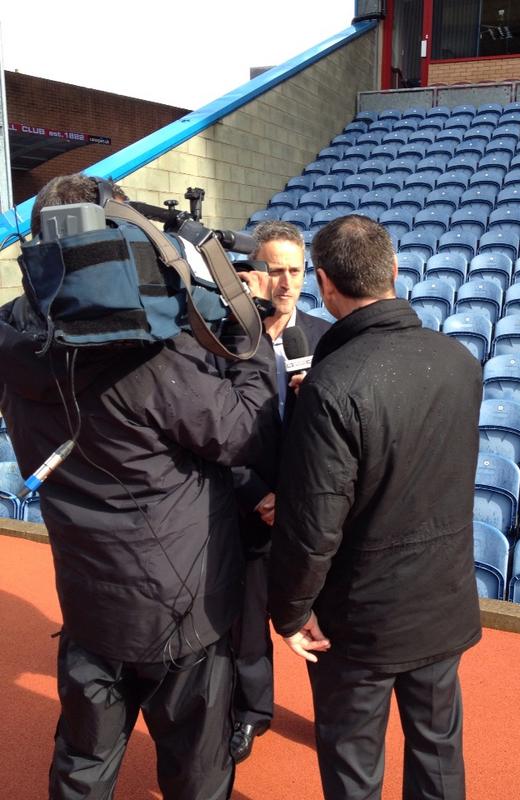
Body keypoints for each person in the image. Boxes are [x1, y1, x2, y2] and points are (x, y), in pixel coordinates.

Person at [0, 173, 278, 800]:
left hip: (88, 602)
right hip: (178, 612)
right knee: (196, 772)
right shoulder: (151, 358)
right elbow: (245, 433)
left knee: (83, 762)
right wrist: (248, 331)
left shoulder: (13, 341)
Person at [269, 214, 483, 800]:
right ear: (393, 270)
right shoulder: (461, 362)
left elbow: (314, 526)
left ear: (323, 283)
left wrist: (290, 611)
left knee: (354, 766)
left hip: (360, 622)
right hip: (442, 601)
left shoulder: (333, 386)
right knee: (439, 754)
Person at [228, 220, 330, 763]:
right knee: (247, 625)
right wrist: (256, 493)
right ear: (252, 274)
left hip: (313, 511)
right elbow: (209, 432)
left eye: (294, 270)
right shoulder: (226, 341)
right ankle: (251, 713)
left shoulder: (325, 336)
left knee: (324, 622)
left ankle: (334, 718)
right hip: (251, 508)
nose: (285, 282)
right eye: (274, 270)